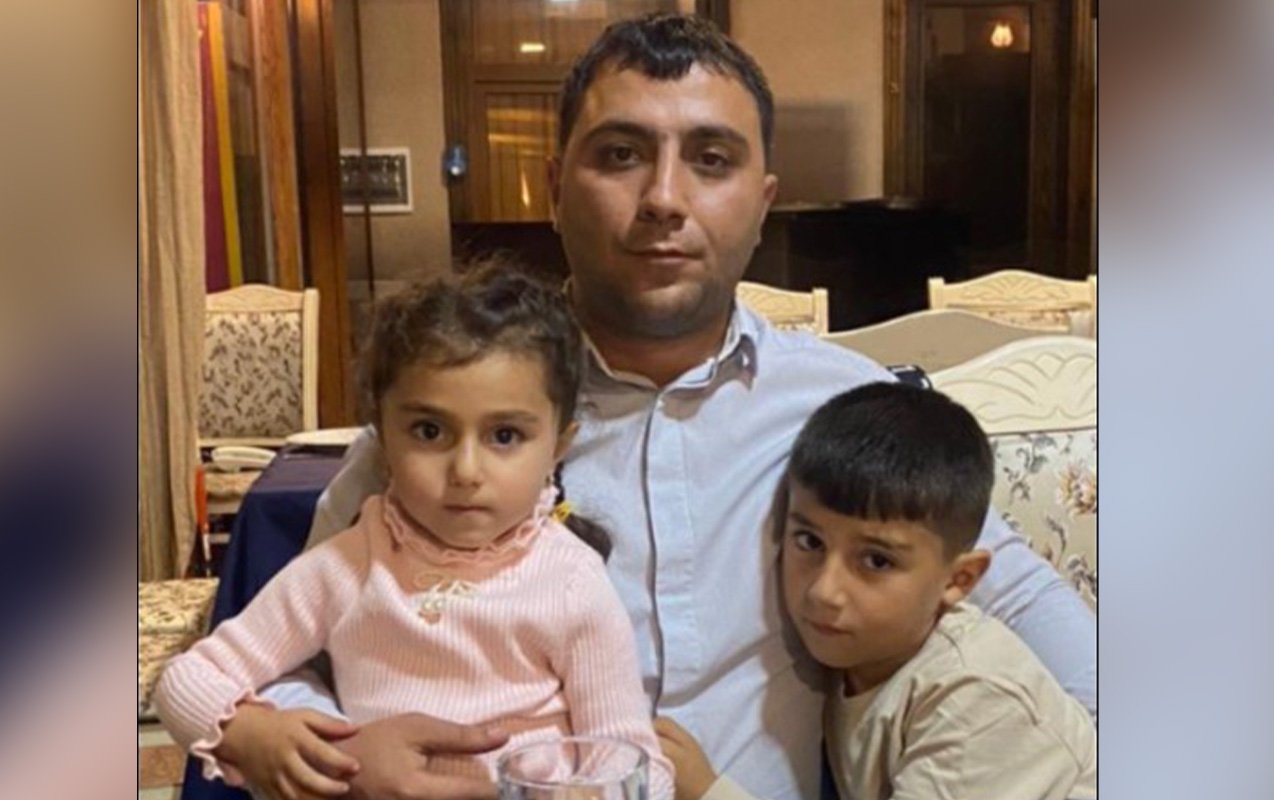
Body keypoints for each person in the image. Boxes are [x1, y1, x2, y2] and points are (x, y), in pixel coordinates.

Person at [219, 13, 1096, 800]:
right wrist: (341, 754)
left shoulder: (844, 408)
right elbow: (284, 652)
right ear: (554, 187)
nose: (664, 200)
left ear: (762, 202)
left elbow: (1034, 620)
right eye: (620, 154)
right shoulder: (457, 423)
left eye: (711, 160)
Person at [155, 265, 674, 800]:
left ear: (558, 447)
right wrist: (253, 734)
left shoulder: (570, 581)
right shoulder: (350, 565)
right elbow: (186, 682)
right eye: (429, 431)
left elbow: (639, 764)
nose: (466, 471)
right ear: (382, 439)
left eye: (504, 435)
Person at [655, 382, 1097, 800]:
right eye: (809, 542)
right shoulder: (863, 653)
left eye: (877, 562)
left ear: (959, 580)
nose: (825, 591)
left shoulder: (978, 697)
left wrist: (708, 791)